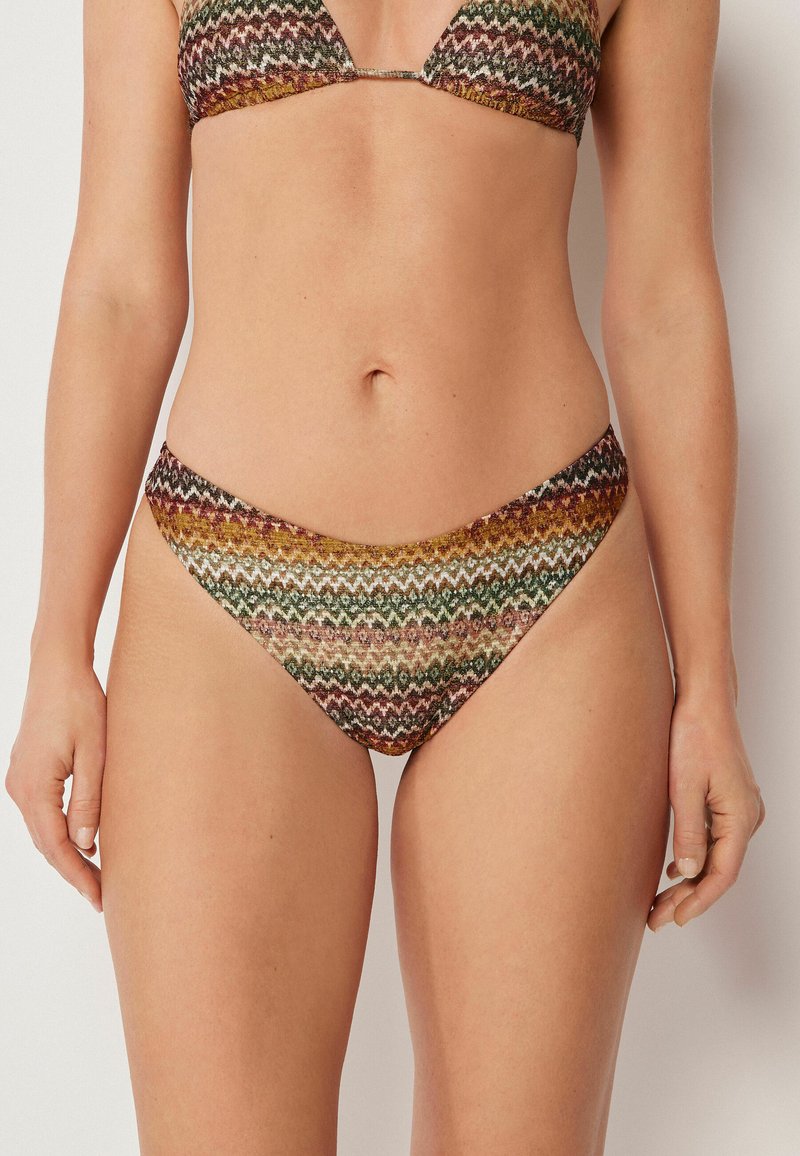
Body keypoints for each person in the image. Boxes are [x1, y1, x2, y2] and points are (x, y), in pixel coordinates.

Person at [6, 0, 766, 1151]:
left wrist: (708, 682)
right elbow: (118, 285)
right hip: (227, 589)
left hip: (542, 588)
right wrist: (56, 645)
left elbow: (662, 301)